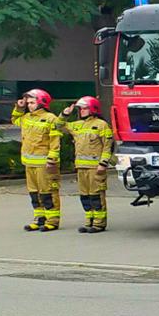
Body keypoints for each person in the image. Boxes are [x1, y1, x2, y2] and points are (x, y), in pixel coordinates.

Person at [62, 97, 115, 234]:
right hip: (81, 167)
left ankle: (99, 223)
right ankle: (89, 221)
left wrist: (103, 164)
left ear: (93, 109)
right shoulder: (77, 125)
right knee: (84, 196)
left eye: (84, 108)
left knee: (96, 196)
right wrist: (65, 114)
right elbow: (57, 126)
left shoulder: (102, 125)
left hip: (95, 168)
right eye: (80, 109)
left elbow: (108, 147)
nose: (81, 111)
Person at [13, 90, 63, 232]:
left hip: (45, 164)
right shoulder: (26, 117)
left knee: (48, 192)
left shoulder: (51, 118)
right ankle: (39, 219)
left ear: (42, 102)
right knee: (34, 193)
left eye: (32, 102)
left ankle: (52, 220)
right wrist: (19, 107)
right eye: (28, 103)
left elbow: (55, 141)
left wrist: (52, 160)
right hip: (29, 163)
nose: (29, 105)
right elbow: (14, 120)